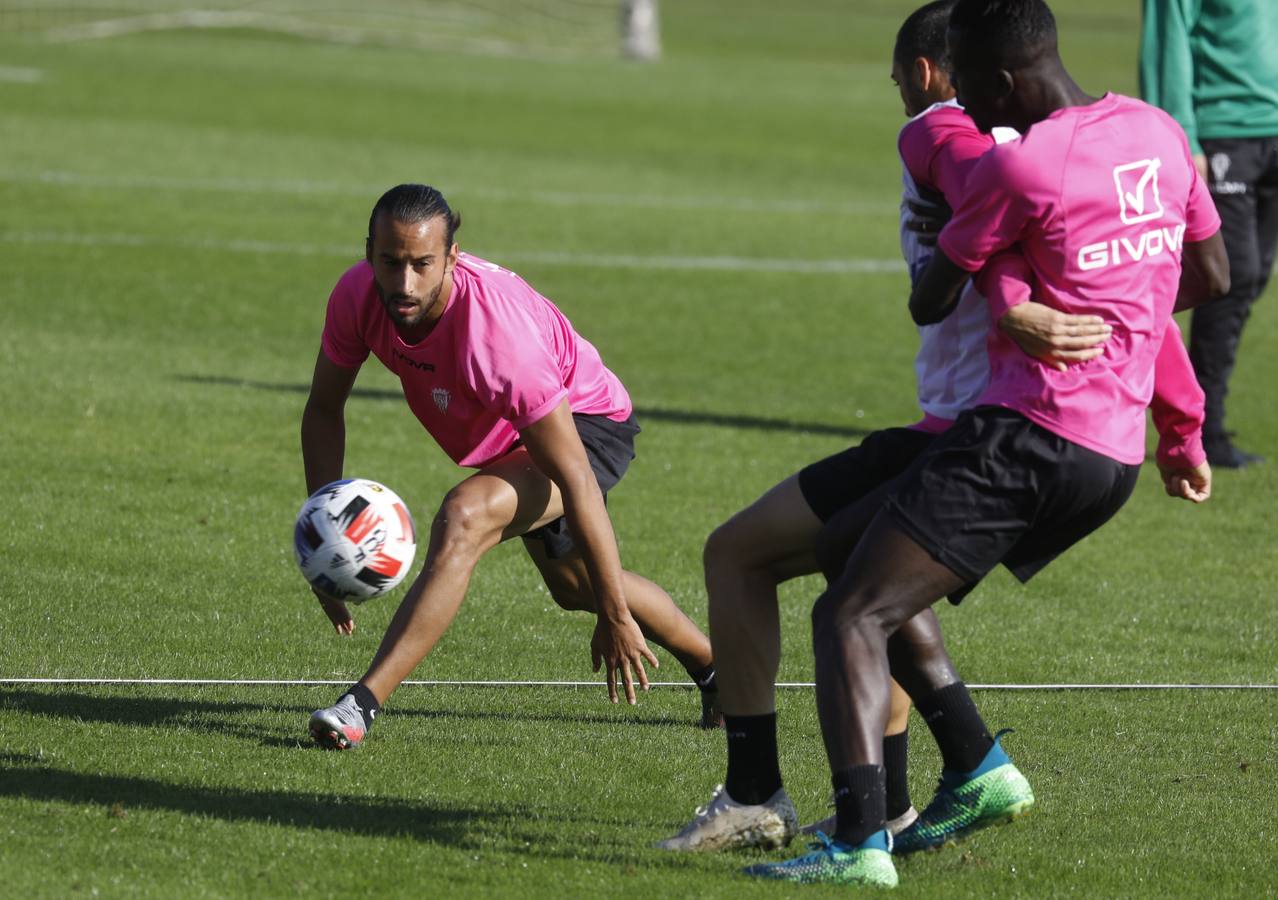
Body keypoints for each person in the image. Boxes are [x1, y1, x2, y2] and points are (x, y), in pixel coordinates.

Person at [655, 0, 1177, 856]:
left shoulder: (940, 127)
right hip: (1005, 425)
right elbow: (1150, 302)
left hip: (978, 427)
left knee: (747, 557)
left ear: (934, 75)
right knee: (857, 579)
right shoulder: (1067, 149)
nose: (903, 92)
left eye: (902, 78)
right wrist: (1179, 427)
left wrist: (1010, 305)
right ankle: (918, 791)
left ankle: (761, 794)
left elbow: (986, 197)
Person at [302, 184, 718, 749]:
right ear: (368, 250)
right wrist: (326, 543)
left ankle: (361, 705)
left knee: (465, 516)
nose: (404, 283)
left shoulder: (498, 337)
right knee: (576, 586)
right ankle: (722, 674)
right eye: (390, 262)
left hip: (587, 425)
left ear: (452, 256)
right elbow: (324, 410)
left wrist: (617, 618)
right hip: (512, 440)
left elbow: (575, 477)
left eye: (422, 264)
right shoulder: (356, 297)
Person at [1140, 0, 1277, 468]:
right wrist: (1182, 135)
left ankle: (1197, 413)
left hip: (1272, 132)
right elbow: (1166, 44)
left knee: (1253, 278)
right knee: (1233, 276)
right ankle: (1204, 429)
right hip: (1221, 135)